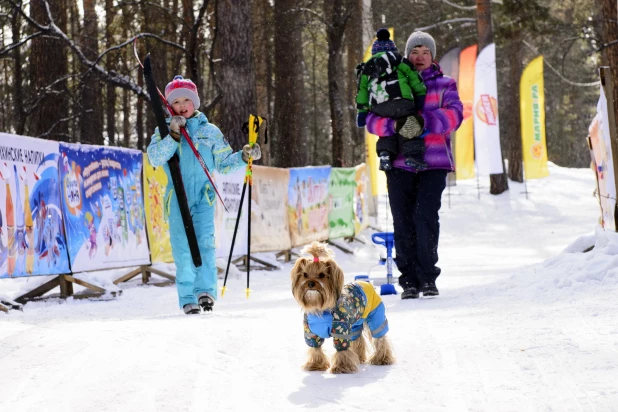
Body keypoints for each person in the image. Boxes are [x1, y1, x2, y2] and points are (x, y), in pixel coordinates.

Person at [147, 75, 261, 314]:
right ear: (169, 105)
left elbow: (224, 164)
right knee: (182, 248)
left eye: (185, 101)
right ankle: (187, 296)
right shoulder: (163, 130)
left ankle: (205, 291)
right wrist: (173, 134)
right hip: (178, 198)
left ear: (194, 103)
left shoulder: (209, 132)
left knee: (206, 245)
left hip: (203, 197)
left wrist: (243, 156)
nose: (181, 106)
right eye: (175, 102)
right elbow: (155, 157)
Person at [366, 31, 463, 299]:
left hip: (434, 163)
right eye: (414, 52)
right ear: (406, 55)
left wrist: (425, 122)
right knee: (403, 220)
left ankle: (428, 277)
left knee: (425, 217)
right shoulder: (389, 81)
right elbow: (371, 119)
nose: (419, 58)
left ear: (432, 57)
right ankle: (408, 279)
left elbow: (455, 114)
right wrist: (394, 124)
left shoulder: (445, 84)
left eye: (425, 53)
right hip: (399, 163)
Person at [355, 28, 427, 171]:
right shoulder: (399, 60)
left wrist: (362, 112)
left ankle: (385, 155)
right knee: (410, 125)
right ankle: (412, 155)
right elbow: (414, 78)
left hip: (379, 106)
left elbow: (362, 91)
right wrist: (420, 96)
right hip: (401, 101)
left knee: (386, 133)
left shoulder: (367, 67)